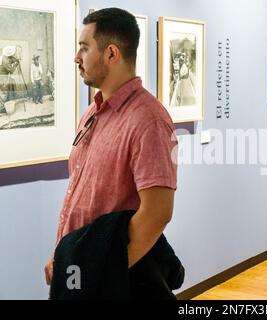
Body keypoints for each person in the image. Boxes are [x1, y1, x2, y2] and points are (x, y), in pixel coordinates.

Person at [44, 7, 178, 299]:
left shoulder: (148, 120)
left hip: (113, 282)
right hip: (79, 267)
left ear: (112, 53)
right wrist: (64, 258)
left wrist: (104, 272)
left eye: (84, 47)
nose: (76, 57)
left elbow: (158, 213)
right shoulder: (93, 112)